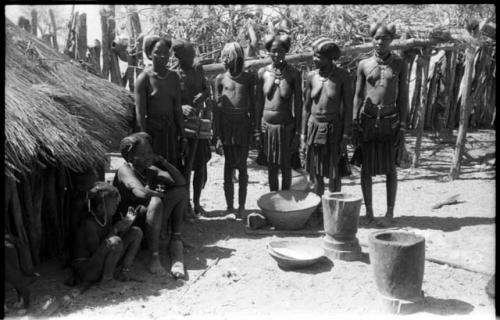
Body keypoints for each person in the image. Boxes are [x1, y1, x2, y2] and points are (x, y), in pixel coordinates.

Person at [352, 22, 408, 227]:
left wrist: (402, 125)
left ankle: (390, 212)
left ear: (391, 40)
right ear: (371, 39)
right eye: (376, 37)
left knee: (390, 168)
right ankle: (369, 212)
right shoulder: (364, 64)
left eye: (384, 38)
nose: (379, 41)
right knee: (366, 168)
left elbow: (403, 97)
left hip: (390, 121)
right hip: (368, 120)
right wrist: (354, 121)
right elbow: (358, 95)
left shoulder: (399, 64)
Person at [113, 132, 188, 278]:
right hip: (131, 224)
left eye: (149, 152)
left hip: (150, 220)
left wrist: (163, 161)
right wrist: (157, 195)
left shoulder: (151, 170)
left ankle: (176, 237)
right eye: (142, 153)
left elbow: (181, 182)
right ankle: (154, 257)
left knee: (180, 192)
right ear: (129, 157)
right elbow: (140, 192)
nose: (148, 156)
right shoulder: (125, 170)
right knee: (156, 201)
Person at [302, 38, 353, 198]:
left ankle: (334, 208)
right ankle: (317, 209)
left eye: (318, 56)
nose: (314, 59)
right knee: (315, 171)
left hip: (334, 129)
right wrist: (303, 134)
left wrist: (345, 135)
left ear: (330, 58)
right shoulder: (311, 76)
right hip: (314, 127)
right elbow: (306, 107)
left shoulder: (342, 77)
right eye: (314, 55)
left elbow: (348, 108)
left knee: (334, 171)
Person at [72, 182, 143, 286]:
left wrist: (126, 225)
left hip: (99, 264)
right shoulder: (88, 224)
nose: (116, 206)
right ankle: (107, 281)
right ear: (100, 208)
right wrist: (115, 229)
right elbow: (97, 251)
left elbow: (107, 246)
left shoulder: (106, 218)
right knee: (115, 242)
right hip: (87, 270)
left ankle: (123, 272)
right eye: (114, 205)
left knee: (136, 232)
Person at [214, 42, 256, 217]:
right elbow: (217, 109)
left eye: (227, 58)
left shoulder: (248, 79)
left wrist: (254, 130)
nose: (224, 62)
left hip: (243, 126)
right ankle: (229, 206)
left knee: (242, 167)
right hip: (227, 127)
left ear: (237, 59)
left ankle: (242, 206)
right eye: (223, 58)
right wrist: (217, 135)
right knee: (228, 166)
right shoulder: (220, 79)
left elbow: (254, 105)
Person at [256, 33, 302, 191]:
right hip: (267, 126)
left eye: (281, 51)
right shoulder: (262, 73)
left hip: (286, 127)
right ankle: (274, 199)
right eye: (273, 51)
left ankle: (286, 201)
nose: (277, 54)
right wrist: (257, 128)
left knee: (286, 165)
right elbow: (258, 103)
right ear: (268, 51)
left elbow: (299, 105)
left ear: (286, 51)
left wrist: (298, 132)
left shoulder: (293, 73)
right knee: (271, 166)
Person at [171, 39, 212, 217]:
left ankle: (196, 203)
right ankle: (185, 204)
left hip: (198, 122)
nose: (193, 58)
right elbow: (169, 100)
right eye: (189, 56)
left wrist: (201, 96)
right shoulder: (173, 74)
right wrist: (181, 107)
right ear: (179, 56)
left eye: (193, 55)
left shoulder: (197, 69)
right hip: (180, 126)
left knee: (200, 165)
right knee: (184, 166)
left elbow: (207, 90)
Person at [135, 35, 188, 166]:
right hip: (153, 134)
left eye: (166, 53)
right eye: (158, 53)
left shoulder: (174, 78)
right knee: (154, 171)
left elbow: (177, 109)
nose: (163, 56)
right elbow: (140, 113)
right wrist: (144, 139)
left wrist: (183, 136)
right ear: (149, 54)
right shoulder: (144, 79)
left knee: (171, 169)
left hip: (171, 132)